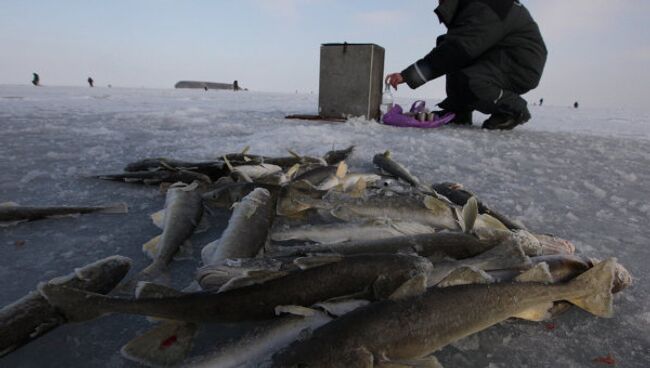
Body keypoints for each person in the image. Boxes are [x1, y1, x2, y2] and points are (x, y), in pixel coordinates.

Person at [386, 0, 547, 130]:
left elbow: (457, 50)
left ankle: (514, 109)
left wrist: (407, 76)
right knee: (447, 45)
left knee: (470, 77)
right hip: (499, 54)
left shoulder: (485, 8)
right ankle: (459, 109)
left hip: (519, 64)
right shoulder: (473, 7)